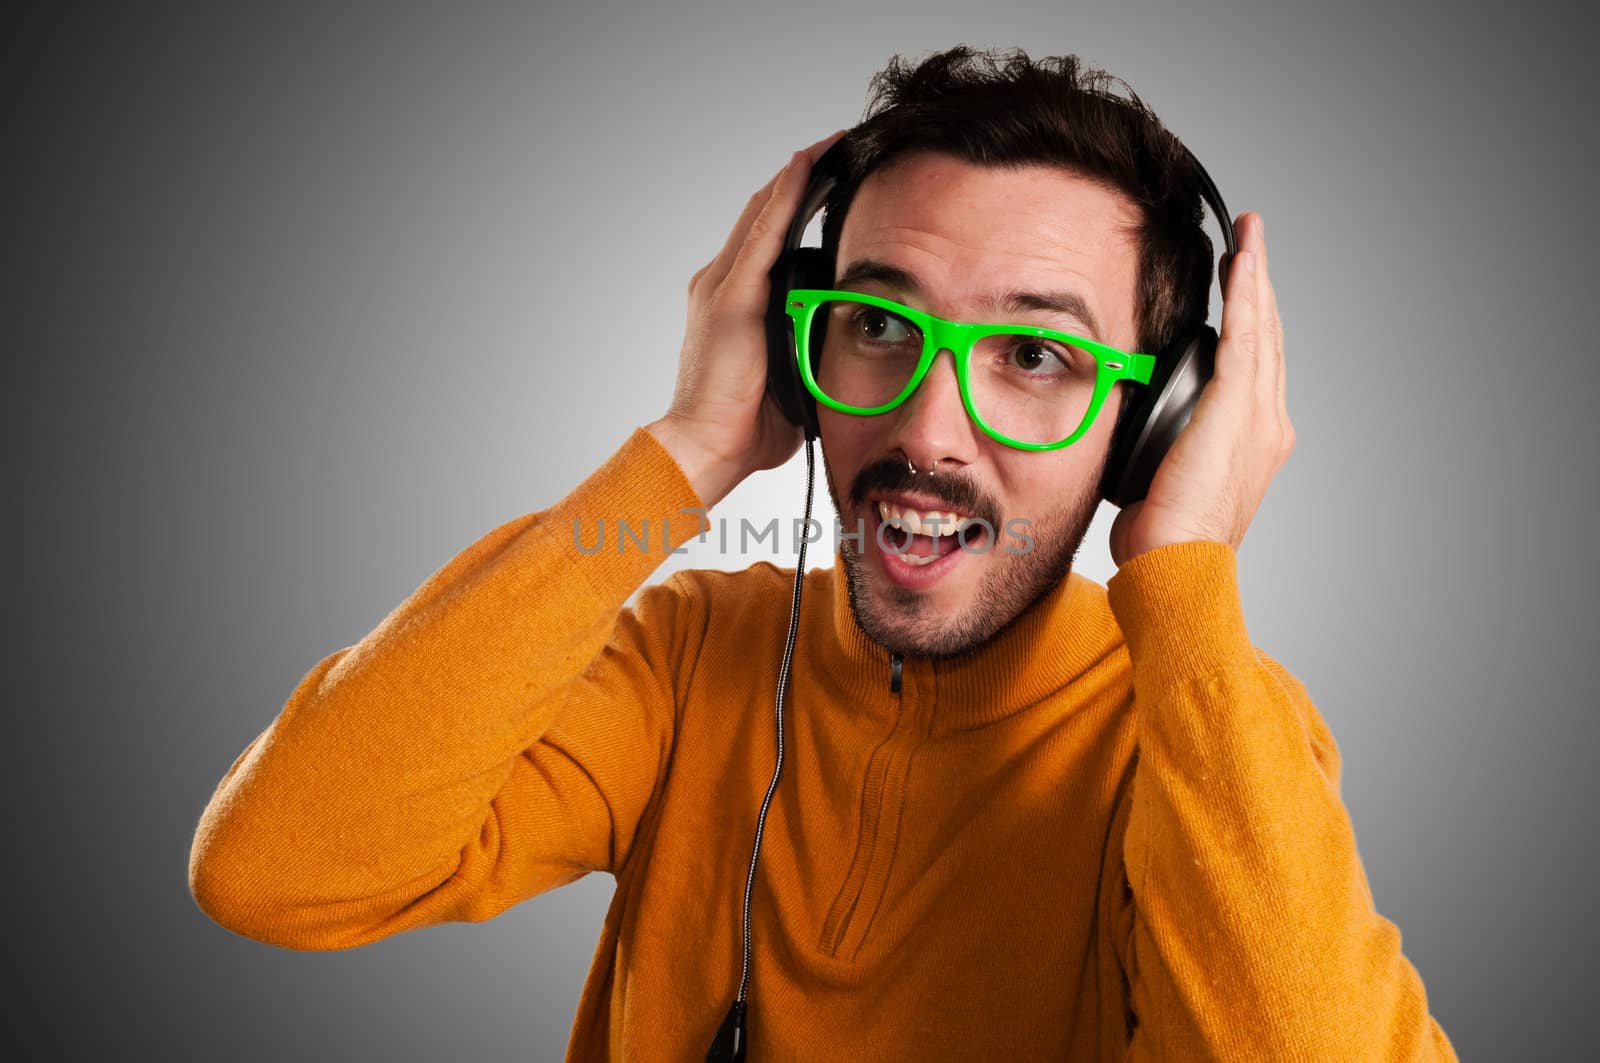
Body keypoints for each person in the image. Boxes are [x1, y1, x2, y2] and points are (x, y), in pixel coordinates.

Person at [189, 46, 1458, 1060]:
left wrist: (1186, 577)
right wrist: (682, 455)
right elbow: (275, 869)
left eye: (1034, 356)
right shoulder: (691, 657)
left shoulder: (1202, 731)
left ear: (1154, 423)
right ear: (799, 351)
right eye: (874, 322)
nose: (923, 427)